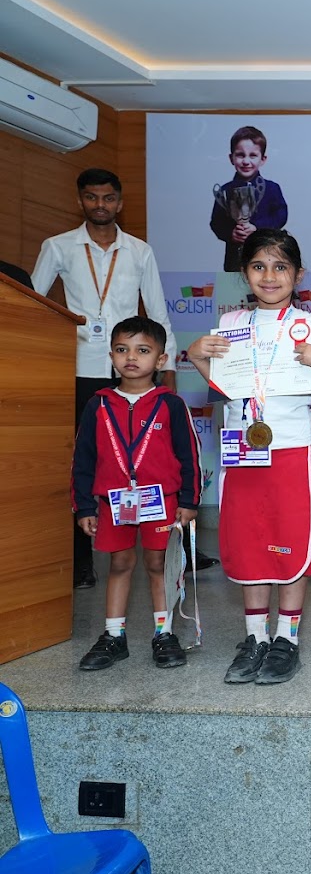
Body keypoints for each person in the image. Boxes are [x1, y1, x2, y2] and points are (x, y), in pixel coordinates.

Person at [185, 229, 311, 685]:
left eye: (280, 267)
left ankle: (286, 640)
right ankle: (255, 638)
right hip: (244, 455)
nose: (269, 276)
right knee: (251, 544)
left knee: (291, 546)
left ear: (298, 274)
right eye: (258, 266)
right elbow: (226, 388)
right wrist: (197, 358)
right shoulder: (231, 324)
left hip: (293, 451)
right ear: (244, 272)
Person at [33, 168, 179, 589]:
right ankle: (81, 561)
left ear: (120, 201)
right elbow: (34, 304)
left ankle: (165, 540)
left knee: (144, 458)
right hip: (78, 369)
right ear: (80, 200)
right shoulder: (57, 246)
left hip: (134, 373)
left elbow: (157, 312)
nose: (101, 205)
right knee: (83, 463)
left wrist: (167, 371)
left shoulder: (139, 251)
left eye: (109, 198)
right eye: (92, 197)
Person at [71, 317, 200, 671]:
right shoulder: (98, 405)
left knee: (158, 564)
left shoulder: (170, 404)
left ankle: (164, 633)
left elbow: (189, 455)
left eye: (143, 350)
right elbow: (83, 458)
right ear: (111, 355)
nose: (131, 357)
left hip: (162, 501)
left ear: (161, 359)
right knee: (120, 564)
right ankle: (114, 636)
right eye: (122, 349)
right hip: (114, 502)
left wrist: (188, 501)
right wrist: (84, 506)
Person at [210, 126, 289, 273]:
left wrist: (257, 228)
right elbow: (216, 222)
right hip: (234, 260)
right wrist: (231, 233)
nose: (246, 161)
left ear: (263, 159)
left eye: (253, 155)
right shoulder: (224, 191)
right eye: (240, 155)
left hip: (266, 256)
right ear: (231, 158)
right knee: (234, 286)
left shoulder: (272, 188)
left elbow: (281, 216)